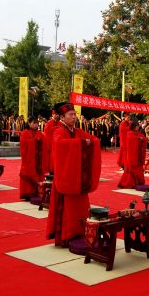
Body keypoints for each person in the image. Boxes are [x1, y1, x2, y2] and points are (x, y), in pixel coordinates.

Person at [46, 102, 101, 247]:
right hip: (66, 177)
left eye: (75, 114)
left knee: (81, 206)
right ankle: (68, 234)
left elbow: (93, 140)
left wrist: (89, 142)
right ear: (62, 117)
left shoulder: (77, 131)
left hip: (77, 177)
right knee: (68, 208)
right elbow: (60, 145)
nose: (74, 117)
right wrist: (81, 143)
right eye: (71, 115)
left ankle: (80, 230)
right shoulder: (58, 131)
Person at [19, 117, 48, 200]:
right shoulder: (25, 132)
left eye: (36, 123)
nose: (35, 124)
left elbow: (45, 144)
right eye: (33, 123)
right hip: (28, 159)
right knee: (27, 173)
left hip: (38, 159)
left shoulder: (40, 133)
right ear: (29, 123)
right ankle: (27, 193)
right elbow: (23, 144)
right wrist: (35, 142)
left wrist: (39, 142)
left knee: (38, 174)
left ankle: (37, 192)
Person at [118, 118, 147, 188]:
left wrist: (143, 139)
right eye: (137, 126)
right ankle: (130, 182)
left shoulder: (138, 133)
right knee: (131, 169)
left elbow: (144, 138)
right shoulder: (129, 133)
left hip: (138, 155)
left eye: (138, 126)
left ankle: (138, 181)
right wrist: (139, 139)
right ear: (134, 126)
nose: (138, 127)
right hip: (131, 155)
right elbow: (131, 140)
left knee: (139, 168)